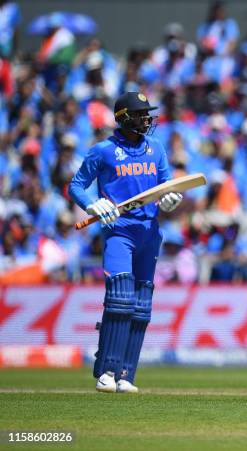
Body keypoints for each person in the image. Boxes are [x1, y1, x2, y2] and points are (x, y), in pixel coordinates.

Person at [69, 92, 183, 393]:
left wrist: (170, 199)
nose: (147, 119)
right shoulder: (103, 151)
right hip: (119, 231)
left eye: (148, 114)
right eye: (141, 114)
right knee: (120, 299)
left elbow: (166, 186)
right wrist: (92, 205)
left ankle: (126, 375)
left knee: (141, 306)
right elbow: (76, 185)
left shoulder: (156, 148)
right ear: (124, 118)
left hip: (149, 232)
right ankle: (106, 370)